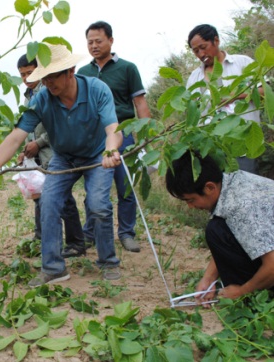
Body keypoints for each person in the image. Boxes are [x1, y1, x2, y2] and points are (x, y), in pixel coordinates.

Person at [0, 43, 123, 286]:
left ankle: (108, 262)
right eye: (45, 77)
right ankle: (53, 268)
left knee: (98, 205)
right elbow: (15, 137)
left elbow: (112, 128)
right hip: (63, 157)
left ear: (71, 71)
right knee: (49, 203)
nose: (49, 83)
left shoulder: (97, 89)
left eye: (54, 76)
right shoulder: (42, 99)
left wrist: (111, 149)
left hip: (98, 154)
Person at [77, 21, 151, 253]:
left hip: (124, 133)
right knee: (94, 188)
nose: (94, 46)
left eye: (99, 41)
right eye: (90, 42)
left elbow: (139, 103)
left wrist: (145, 136)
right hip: (94, 139)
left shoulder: (128, 68)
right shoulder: (83, 73)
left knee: (125, 185)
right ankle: (90, 232)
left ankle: (127, 233)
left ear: (111, 40)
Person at [165, 151, 274, 306]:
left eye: (191, 200)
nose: (190, 206)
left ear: (209, 187)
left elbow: (272, 266)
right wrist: (208, 279)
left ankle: (251, 302)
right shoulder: (231, 184)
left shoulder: (242, 206)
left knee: (215, 231)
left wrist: (241, 291)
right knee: (219, 229)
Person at [16, 54, 86, 257]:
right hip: (37, 156)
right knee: (40, 196)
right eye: (22, 75)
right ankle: (41, 237)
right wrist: (25, 151)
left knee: (63, 198)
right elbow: (28, 129)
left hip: (53, 152)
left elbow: (60, 125)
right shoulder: (28, 95)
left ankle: (75, 242)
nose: (26, 78)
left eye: (30, 73)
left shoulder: (49, 92)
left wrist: (38, 143)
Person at [187, 24, 262, 174]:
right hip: (213, 148)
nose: (201, 54)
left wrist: (235, 96)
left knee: (245, 188)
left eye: (203, 47)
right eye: (196, 51)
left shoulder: (242, 63)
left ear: (216, 40)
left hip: (243, 143)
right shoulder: (194, 78)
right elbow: (192, 114)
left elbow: (263, 92)